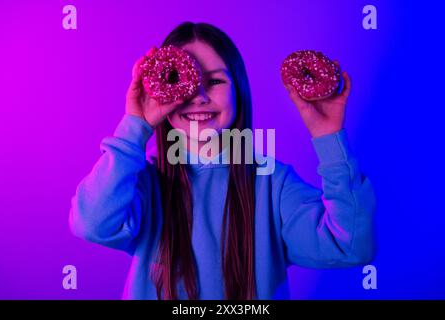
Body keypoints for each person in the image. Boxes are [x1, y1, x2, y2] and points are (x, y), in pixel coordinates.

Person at [69, 21, 376, 300]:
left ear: (238, 90)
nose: (199, 96)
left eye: (215, 82)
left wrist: (329, 137)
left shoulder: (273, 184)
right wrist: (135, 125)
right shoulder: (143, 185)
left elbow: (350, 247)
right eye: (179, 80)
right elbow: (93, 224)